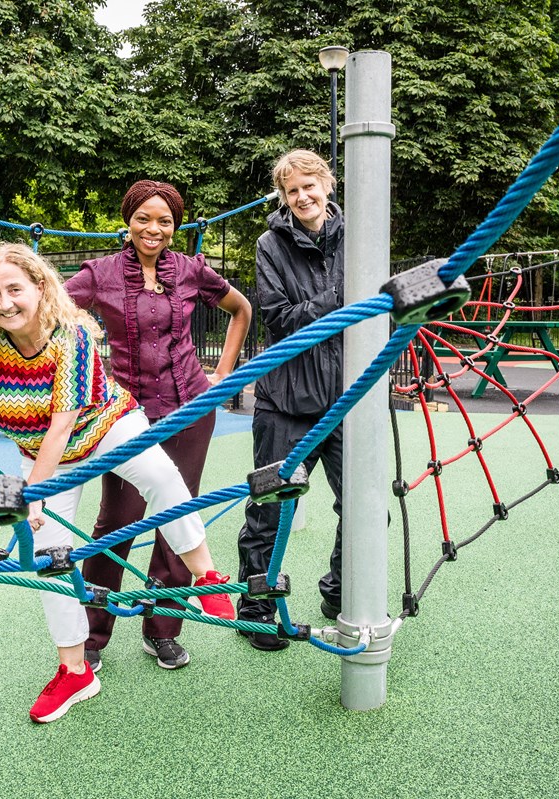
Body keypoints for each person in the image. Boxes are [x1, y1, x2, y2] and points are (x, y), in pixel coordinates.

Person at [0, 242, 237, 724]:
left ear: (40, 288)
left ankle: (207, 574)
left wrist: (34, 496)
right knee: (49, 560)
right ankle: (76, 671)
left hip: (106, 427)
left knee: (161, 475)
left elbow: (62, 425)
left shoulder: (70, 338)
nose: (5, 302)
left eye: (15, 289)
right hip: (42, 458)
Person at [64, 180, 252, 672]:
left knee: (179, 518)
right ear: (129, 221)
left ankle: (161, 629)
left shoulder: (190, 271)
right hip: (125, 415)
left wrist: (223, 374)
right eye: (144, 218)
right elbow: (51, 313)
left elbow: (240, 309)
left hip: (190, 409)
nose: (154, 228)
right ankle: (92, 633)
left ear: (176, 226)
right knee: (117, 519)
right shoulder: (100, 274)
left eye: (164, 220)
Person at [237, 149, 346, 651]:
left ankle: (342, 590)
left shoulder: (358, 238)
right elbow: (279, 316)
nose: (302, 196)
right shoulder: (270, 244)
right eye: (292, 190)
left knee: (365, 506)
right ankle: (256, 609)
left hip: (346, 397)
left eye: (310, 185)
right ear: (283, 197)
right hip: (286, 399)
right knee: (269, 510)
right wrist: (340, 300)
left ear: (328, 184)